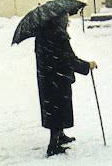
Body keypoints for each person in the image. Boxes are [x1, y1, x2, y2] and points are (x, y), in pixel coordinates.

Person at [34, 13, 97, 157]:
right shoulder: (58, 35)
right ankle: (53, 145)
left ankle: (60, 135)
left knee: (54, 108)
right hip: (58, 79)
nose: (68, 21)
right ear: (59, 20)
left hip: (48, 79)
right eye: (66, 18)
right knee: (58, 109)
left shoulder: (43, 34)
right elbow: (68, 59)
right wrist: (87, 66)